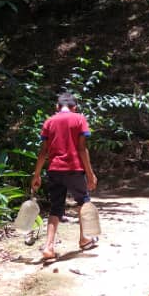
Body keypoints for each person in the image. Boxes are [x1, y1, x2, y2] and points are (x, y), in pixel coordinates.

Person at [30, 92, 99, 261]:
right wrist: (90, 174)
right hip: (74, 168)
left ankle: (48, 247)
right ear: (75, 107)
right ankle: (84, 239)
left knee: (56, 207)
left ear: (57, 107)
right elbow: (82, 149)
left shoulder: (49, 121)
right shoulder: (79, 119)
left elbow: (43, 151)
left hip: (54, 170)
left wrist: (36, 174)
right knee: (83, 201)